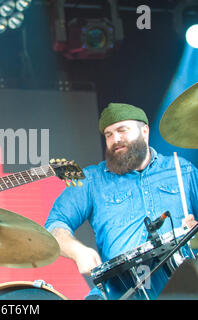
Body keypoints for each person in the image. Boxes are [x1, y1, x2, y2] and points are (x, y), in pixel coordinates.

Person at [45, 103, 198, 300]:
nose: (115, 139)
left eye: (122, 130)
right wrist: (76, 250)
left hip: (183, 286)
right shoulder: (92, 179)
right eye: (108, 134)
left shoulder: (181, 170)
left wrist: (194, 234)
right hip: (121, 291)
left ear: (144, 131)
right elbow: (54, 225)